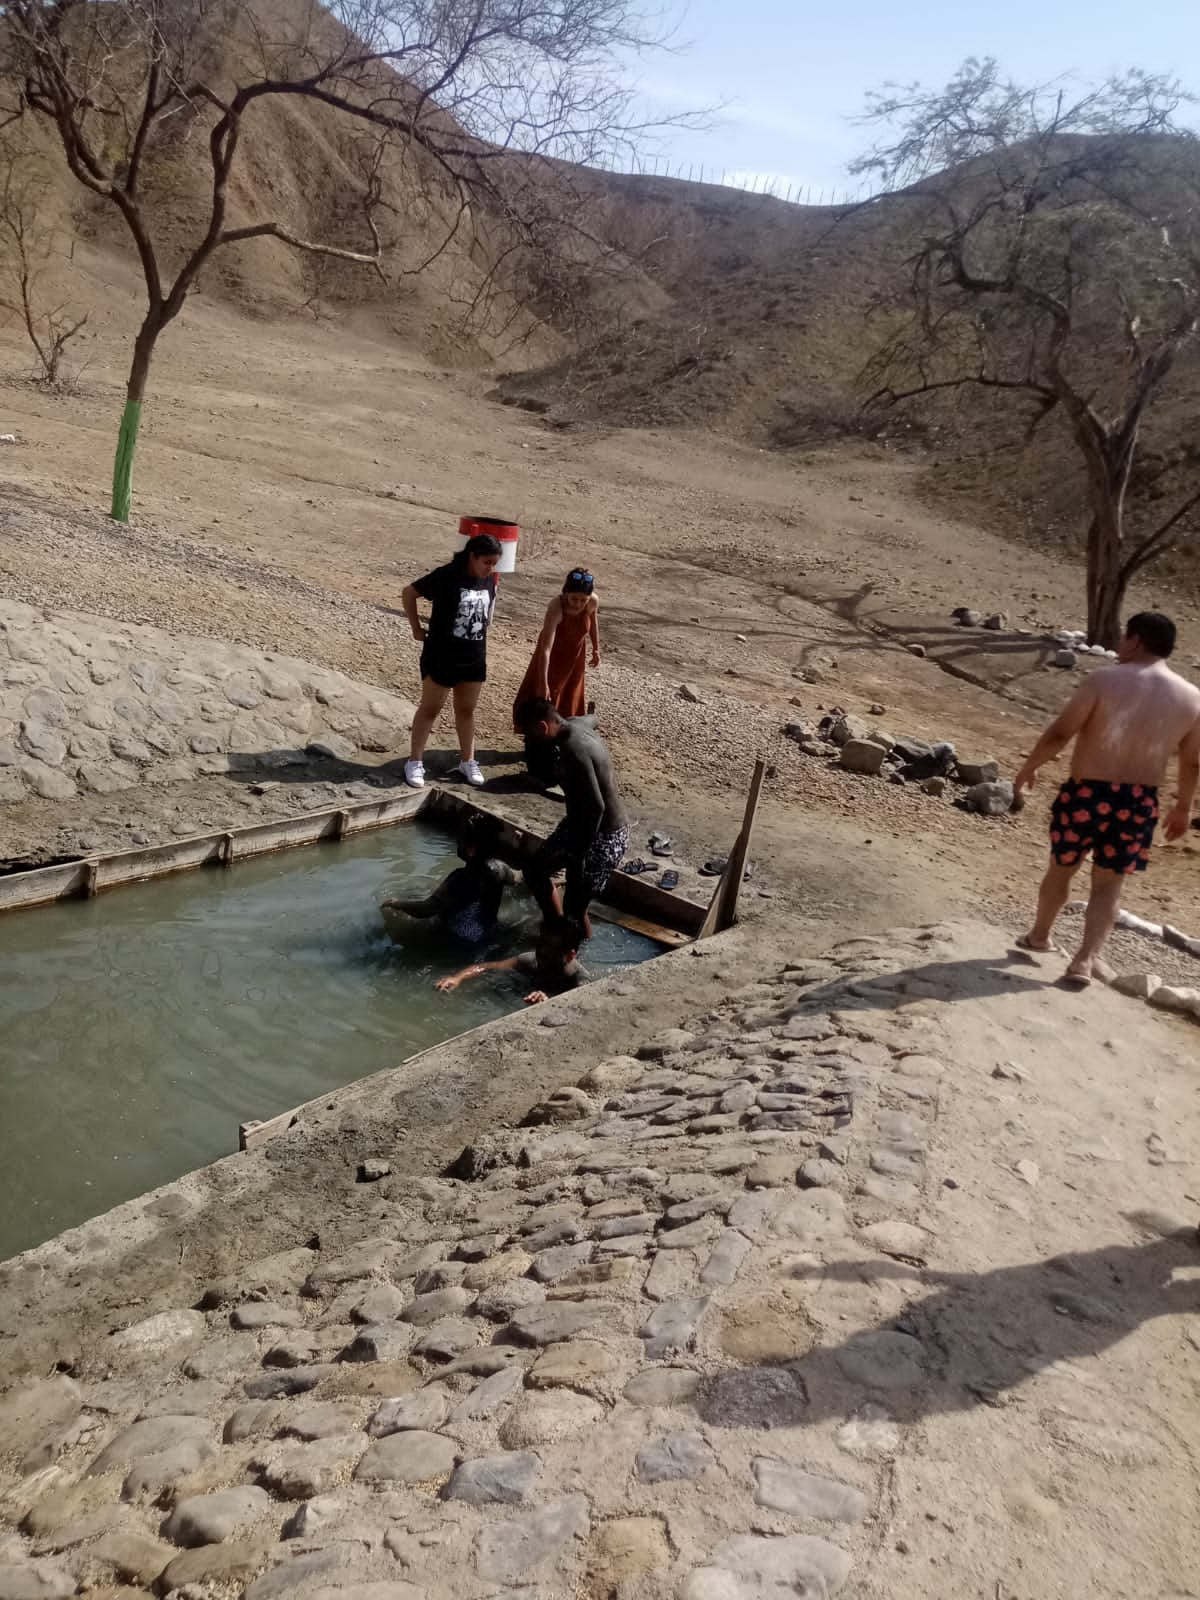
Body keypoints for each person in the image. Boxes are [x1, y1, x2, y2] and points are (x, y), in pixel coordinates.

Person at [1013, 611, 1200, 985]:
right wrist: (1183, 807)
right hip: (1138, 802)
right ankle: (1084, 960)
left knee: (1062, 868)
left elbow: (1061, 732)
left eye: (1123, 638)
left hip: (1086, 792)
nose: (1118, 645)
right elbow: (1192, 761)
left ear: (1136, 640)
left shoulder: (1104, 680)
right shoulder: (1191, 697)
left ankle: (1040, 936)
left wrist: (1029, 767)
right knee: (1110, 883)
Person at [514, 698, 630, 928]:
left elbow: (597, 807)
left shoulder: (573, 751)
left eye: (529, 735)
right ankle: (555, 927)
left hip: (603, 835)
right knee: (535, 870)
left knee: (575, 906)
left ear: (542, 727)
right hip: (577, 824)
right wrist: (592, 712)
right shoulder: (576, 724)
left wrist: (578, 858)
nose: (529, 741)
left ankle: (572, 946)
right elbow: (592, 720)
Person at [401, 533, 501, 789]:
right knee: (430, 708)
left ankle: (468, 760)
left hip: (474, 658)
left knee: (466, 711)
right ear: (473, 556)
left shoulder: (489, 580)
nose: (491, 568)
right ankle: (414, 761)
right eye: (487, 562)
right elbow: (409, 593)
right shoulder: (447, 575)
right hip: (442, 655)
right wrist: (415, 628)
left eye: (494, 563)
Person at [513, 569, 601, 782]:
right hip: (551, 659)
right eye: (574, 599)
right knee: (544, 701)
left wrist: (596, 648)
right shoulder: (556, 607)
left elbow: (593, 622)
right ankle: (536, 741)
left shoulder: (592, 603)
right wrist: (543, 681)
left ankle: (559, 741)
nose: (578, 604)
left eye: (582, 600)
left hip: (575, 658)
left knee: (570, 700)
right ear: (565, 593)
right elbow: (546, 649)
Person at [380, 814, 517, 944]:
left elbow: (426, 909)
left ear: (471, 850)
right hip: (486, 934)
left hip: (457, 940)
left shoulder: (459, 878)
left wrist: (396, 904)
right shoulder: (501, 869)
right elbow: (516, 879)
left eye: (460, 840)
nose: (458, 843)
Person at [434, 915, 584, 1005]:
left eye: (552, 948)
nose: (543, 951)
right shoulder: (530, 960)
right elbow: (487, 966)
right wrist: (458, 978)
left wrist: (549, 1003)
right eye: (541, 944)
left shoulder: (580, 982)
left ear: (570, 956)